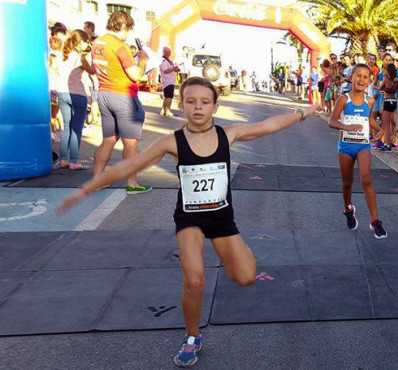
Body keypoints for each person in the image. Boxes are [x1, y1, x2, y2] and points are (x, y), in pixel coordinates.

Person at [57, 76, 321, 368]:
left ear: (214, 106)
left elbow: (267, 125)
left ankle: (240, 250)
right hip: (189, 219)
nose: (198, 107)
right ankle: (192, 337)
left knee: (245, 277)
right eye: (191, 101)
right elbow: (131, 165)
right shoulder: (172, 142)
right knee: (195, 280)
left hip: (222, 219)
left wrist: (302, 112)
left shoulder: (228, 134)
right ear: (181, 105)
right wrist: (86, 188)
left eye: (205, 102)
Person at [91, 11, 151, 195]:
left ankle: (97, 180)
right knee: (130, 143)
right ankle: (132, 182)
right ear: (123, 26)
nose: (128, 34)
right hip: (123, 96)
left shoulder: (97, 42)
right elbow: (136, 75)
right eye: (128, 29)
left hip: (104, 93)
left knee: (108, 140)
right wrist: (142, 61)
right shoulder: (119, 46)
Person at [328, 64, 387, 239]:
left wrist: (380, 130)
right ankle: (348, 209)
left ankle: (375, 220)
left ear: (369, 81)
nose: (361, 79)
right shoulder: (343, 99)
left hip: (362, 145)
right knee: (347, 183)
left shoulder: (370, 100)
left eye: (365, 77)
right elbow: (331, 121)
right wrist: (346, 126)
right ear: (351, 78)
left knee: (366, 178)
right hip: (345, 147)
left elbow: (368, 119)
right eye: (358, 76)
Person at [55, 29, 96, 170]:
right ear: (79, 42)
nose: (88, 44)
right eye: (86, 42)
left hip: (62, 93)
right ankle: (73, 161)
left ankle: (63, 160)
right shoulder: (80, 58)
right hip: (77, 94)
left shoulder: (62, 55)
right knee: (76, 129)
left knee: (66, 127)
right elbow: (92, 71)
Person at [374, 63, 398, 151]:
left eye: (385, 69)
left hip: (387, 101)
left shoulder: (386, 80)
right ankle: (395, 141)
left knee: (386, 125)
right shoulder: (396, 80)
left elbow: (379, 88)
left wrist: (374, 84)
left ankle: (387, 144)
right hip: (394, 101)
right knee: (391, 122)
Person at [160, 46, 180, 117]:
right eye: (167, 52)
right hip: (167, 81)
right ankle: (168, 111)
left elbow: (175, 69)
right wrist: (173, 68)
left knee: (167, 96)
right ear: (164, 52)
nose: (169, 53)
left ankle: (163, 110)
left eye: (169, 52)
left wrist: (176, 69)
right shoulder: (163, 61)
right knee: (169, 97)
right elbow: (165, 71)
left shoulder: (170, 61)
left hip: (171, 81)